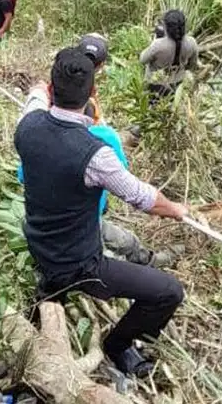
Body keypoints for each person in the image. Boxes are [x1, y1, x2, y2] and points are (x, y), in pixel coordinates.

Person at [15, 47, 189, 377]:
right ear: (93, 93)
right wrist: (177, 209)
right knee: (168, 292)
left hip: (38, 243)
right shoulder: (96, 154)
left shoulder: (27, 125)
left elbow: (35, 97)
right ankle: (117, 346)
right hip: (79, 265)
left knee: (65, 265)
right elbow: (142, 197)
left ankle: (49, 294)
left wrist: (39, 87)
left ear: (52, 90)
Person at [74, 33, 180, 267]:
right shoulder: (104, 139)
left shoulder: (39, 125)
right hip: (83, 212)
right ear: (102, 64)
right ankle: (143, 261)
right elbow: (129, 185)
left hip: (56, 210)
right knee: (120, 241)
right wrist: (174, 209)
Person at [139, 9, 199, 99]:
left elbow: (142, 59)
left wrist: (154, 41)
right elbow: (192, 65)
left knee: (153, 106)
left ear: (165, 27)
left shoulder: (158, 45)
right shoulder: (192, 42)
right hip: (177, 84)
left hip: (156, 85)